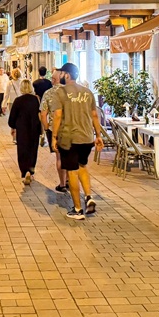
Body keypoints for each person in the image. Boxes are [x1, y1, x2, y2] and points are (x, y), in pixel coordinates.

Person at [51, 63, 105, 220]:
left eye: (61, 73)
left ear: (67, 75)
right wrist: (98, 135)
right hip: (87, 138)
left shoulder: (60, 92)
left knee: (72, 171)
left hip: (69, 138)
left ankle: (77, 209)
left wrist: (54, 136)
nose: (59, 76)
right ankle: (88, 196)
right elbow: (95, 115)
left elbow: (58, 115)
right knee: (82, 166)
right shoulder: (88, 92)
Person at [40, 68, 68, 193]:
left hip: (54, 129)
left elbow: (43, 114)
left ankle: (62, 183)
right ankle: (69, 180)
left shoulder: (48, 93)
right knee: (70, 155)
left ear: (53, 79)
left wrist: (46, 127)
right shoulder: (69, 91)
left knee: (59, 157)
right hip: (70, 128)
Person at [9, 79, 42, 185]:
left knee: (22, 150)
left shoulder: (18, 101)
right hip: (34, 129)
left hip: (22, 129)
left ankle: (25, 171)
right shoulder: (36, 100)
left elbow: (12, 118)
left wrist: (13, 127)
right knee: (33, 150)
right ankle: (31, 170)